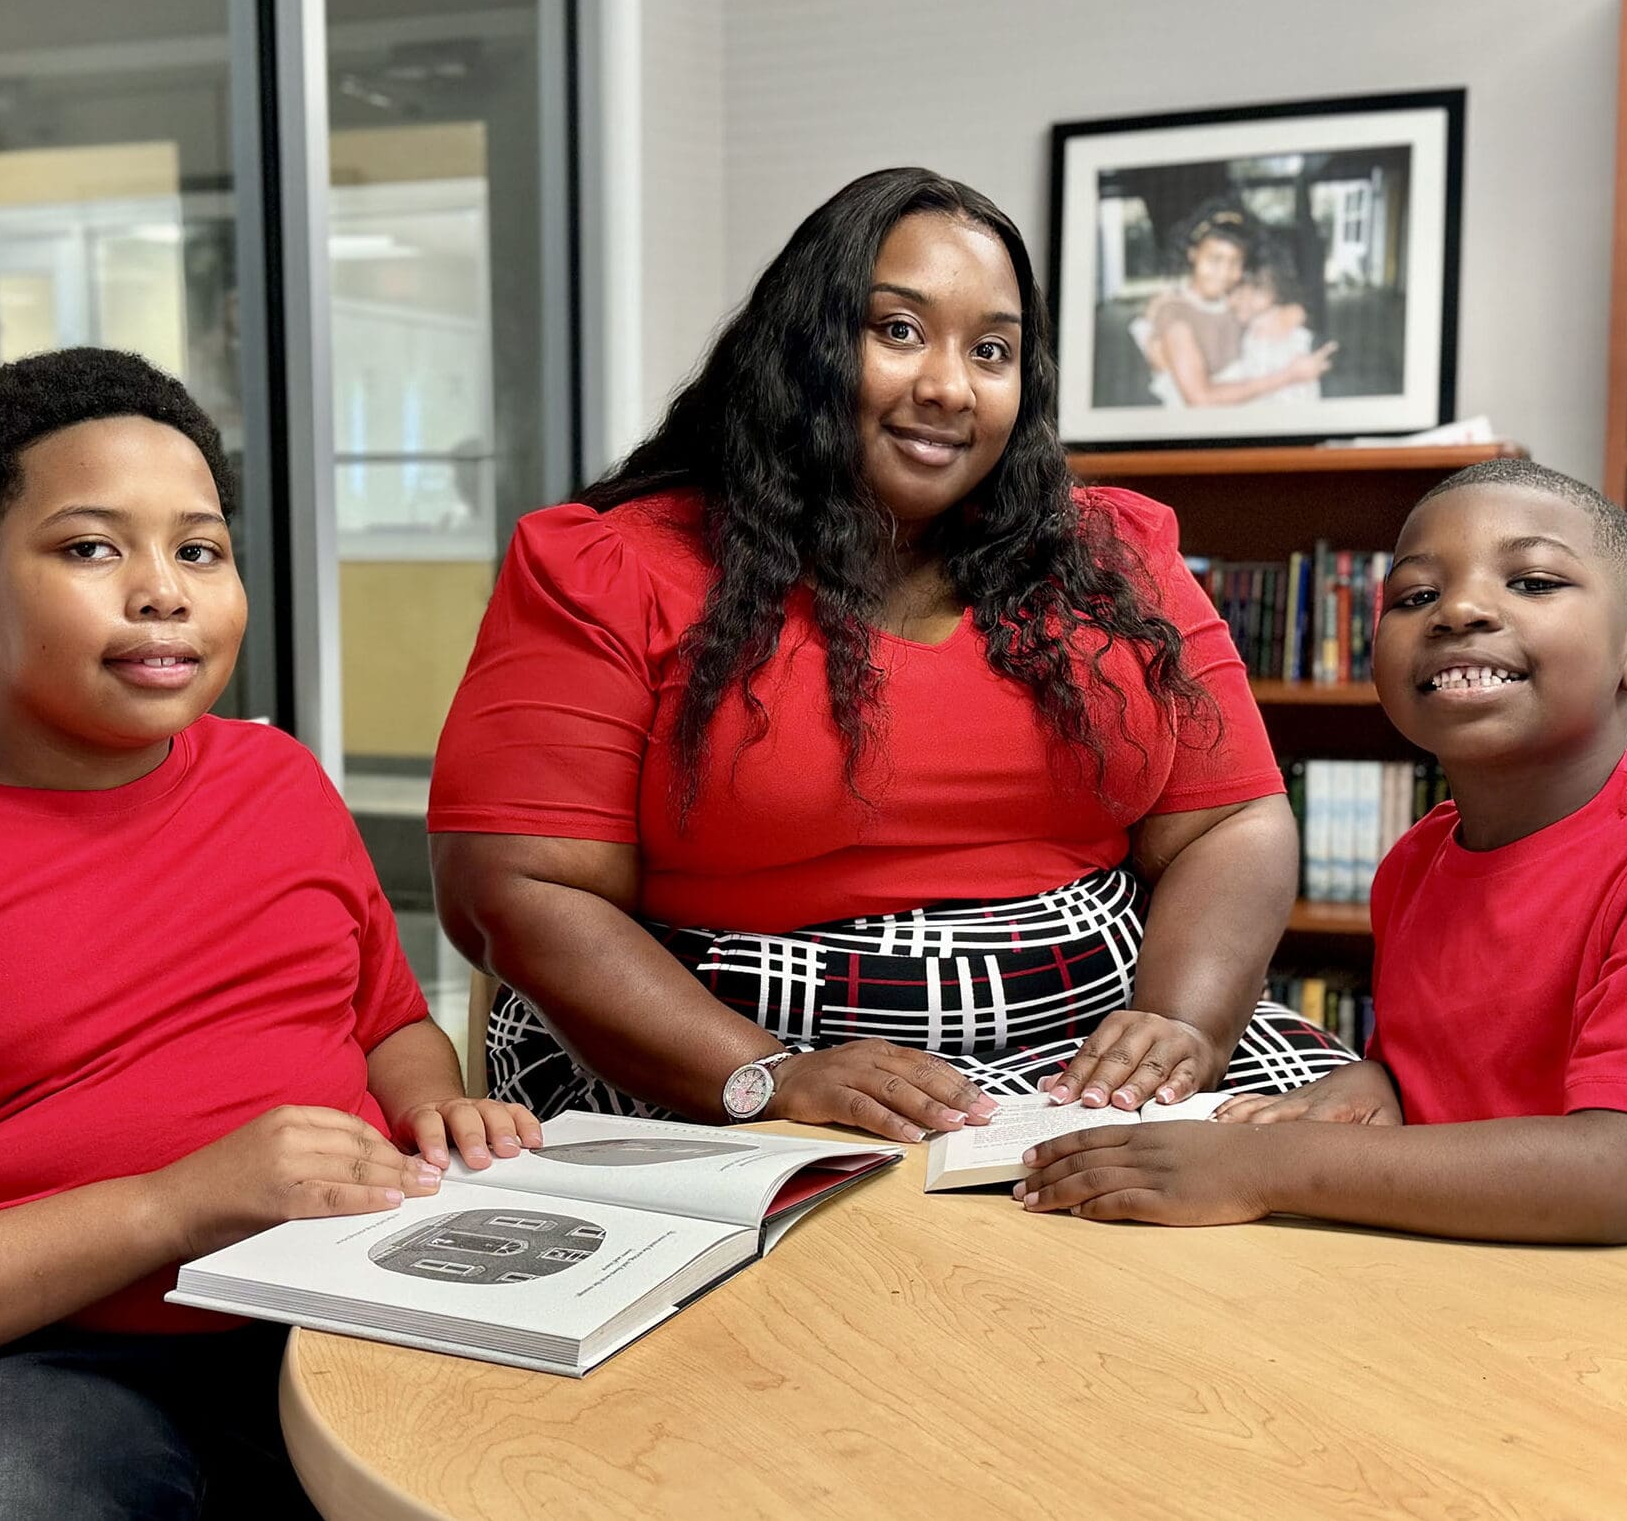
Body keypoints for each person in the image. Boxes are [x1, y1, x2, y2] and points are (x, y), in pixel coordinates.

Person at [428, 167, 1353, 1147]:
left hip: (1091, 1053)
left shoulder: (1114, 554)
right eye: (898, 331)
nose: (949, 386)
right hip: (714, 1060)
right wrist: (763, 1077)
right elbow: (520, 889)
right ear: (802, 348)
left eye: (991, 350)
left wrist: (1181, 1025)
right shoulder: (608, 565)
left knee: (1340, 1179)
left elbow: (1233, 821)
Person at [0, 348, 541, 1518]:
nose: (163, 592)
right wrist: (174, 1204)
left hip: (342, 1298)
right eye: (91, 548)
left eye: (199, 549)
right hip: (14, 1367)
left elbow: (387, 1020)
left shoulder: (277, 780)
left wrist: (427, 1102)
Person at [1016, 459, 1627, 1314]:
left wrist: (1268, 1166)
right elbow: (1445, 1069)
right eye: (1413, 597)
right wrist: (1378, 1084)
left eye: (1532, 580)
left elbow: (1617, 1177)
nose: (1458, 611)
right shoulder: (1414, 862)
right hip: (1503, 1279)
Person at [1135, 197, 1334, 408]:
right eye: (1215, 259)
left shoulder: (1229, 297)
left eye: (1234, 262)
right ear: (1192, 254)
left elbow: (1273, 309)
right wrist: (1290, 375)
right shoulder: (1176, 317)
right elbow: (1201, 399)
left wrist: (1295, 311)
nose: (1224, 273)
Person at [1213, 259, 1320, 404]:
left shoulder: (1280, 320)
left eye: (1257, 292)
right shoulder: (1248, 328)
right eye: (1236, 291)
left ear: (1276, 294)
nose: (1245, 300)